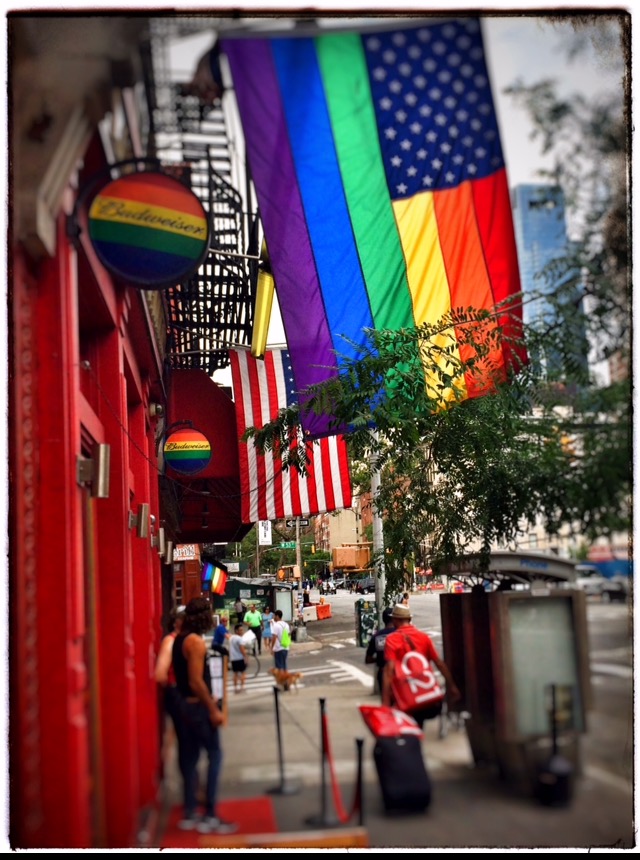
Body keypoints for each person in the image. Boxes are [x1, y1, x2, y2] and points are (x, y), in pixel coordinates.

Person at [172, 597, 237, 834]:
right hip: (198, 707)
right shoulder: (196, 643)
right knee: (214, 755)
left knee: (189, 759)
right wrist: (213, 709)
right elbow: (197, 681)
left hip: (183, 706)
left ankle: (190, 811)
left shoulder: (179, 640)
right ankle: (209, 813)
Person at [382, 604, 461, 728]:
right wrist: (452, 686)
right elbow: (439, 663)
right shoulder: (424, 638)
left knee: (404, 729)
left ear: (395, 620)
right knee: (419, 726)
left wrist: (385, 703)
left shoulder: (391, 639)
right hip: (425, 696)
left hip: (404, 696)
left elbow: (389, 671)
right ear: (409, 619)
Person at [154, 609, 187, 772]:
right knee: (182, 738)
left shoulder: (184, 640)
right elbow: (160, 674)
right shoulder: (171, 641)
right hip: (177, 692)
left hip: (181, 692)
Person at [364, 607, 395, 697]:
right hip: (398, 673)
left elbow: (368, 659)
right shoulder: (399, 634)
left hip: (382, 674)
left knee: (386, 701)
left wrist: (380, 659)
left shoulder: (377, 637)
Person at [228, 623, 248, 693]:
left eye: (242, 630)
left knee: (235, 674)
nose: (242, 631)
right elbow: (242, 649)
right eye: (240, 630)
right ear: (236, 631)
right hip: (239, 658)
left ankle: (235, 688)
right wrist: (246, 657)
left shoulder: (231, 638)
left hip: (233, 658)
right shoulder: (240, 639)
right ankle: (242, 687)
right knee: (243, 673)